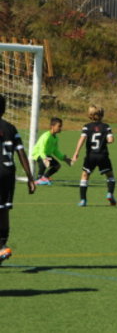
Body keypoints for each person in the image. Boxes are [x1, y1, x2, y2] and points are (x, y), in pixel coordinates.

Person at [0, 95, 36, 264]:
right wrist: (30, 177)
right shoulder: (11, 128)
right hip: (8, 173)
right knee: (4, 210)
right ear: (4, 109)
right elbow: (21, 153)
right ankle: (2, 245)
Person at [71, 105, 116, 207]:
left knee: (85, 175)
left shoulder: (87, 127)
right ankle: (110, 193)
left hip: (90, 156)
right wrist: (105, 140)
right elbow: (110, 140)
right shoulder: (106, 127)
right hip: (103, 155)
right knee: (110, 175)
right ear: (102, 115)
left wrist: (76, 152)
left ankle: (83, 200)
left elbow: (82, 139)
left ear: (90, 115)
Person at [31, 117, 71, 185]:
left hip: (46, 155)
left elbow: (55, 151)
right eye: (59, 126)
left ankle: (45, 177)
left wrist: (63, 158)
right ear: (52, 126)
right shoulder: (46, 136)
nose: (60, 128)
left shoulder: (55, 138)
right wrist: (44, 158)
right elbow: (41, 149)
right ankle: (38, 179)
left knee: (57, 165)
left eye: (61, 126)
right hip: (38, 154)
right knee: (44, 162)